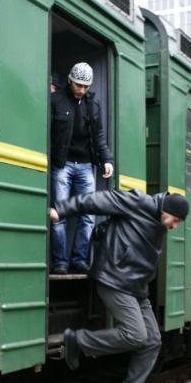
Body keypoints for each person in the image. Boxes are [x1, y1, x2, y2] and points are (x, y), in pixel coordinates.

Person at [50, 189, 189, 383]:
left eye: (177, 223)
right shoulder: (138, 203)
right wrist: (62, 209)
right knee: (135, 335)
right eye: (174, 220)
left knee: (153, 341)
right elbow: (97, 200)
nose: (174, 226)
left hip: (137, 288)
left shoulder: (159, 221)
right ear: (166, 210)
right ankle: (78, 340)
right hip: (114, 279)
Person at [50, 62, 114, 275]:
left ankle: (79, 260)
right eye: (78, 85)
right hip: (62, 164)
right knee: (59, 214)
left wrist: (107, 159)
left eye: (86, 87)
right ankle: (59, 261)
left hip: (86, 165)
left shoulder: (92, 105)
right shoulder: (56, 101)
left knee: (87, 215)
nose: (82, 90)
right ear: (70, 80)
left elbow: (99, 136)